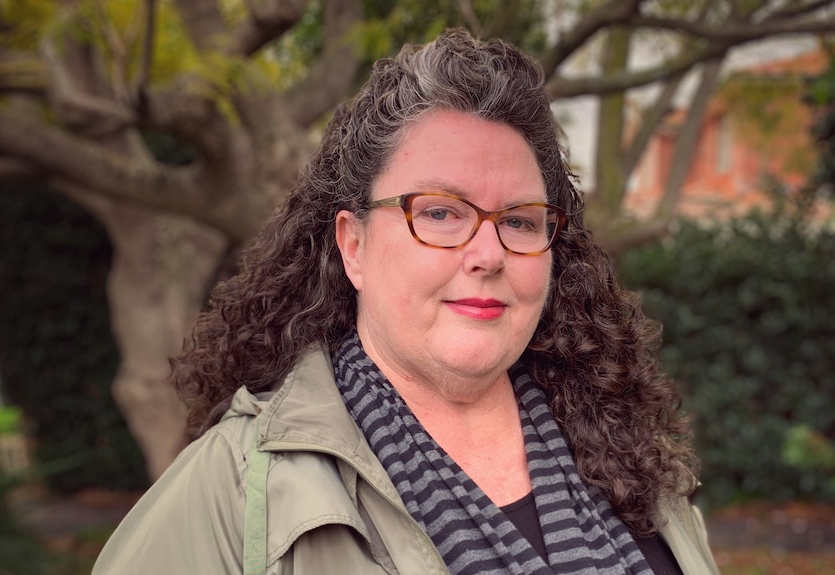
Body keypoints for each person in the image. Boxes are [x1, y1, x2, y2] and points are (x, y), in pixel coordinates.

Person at [93, 28, 720, 575]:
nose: (489, 253)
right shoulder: (231, 492)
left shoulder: (630, 465)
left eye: (522, 222)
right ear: (353, 245)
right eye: (442, 212)